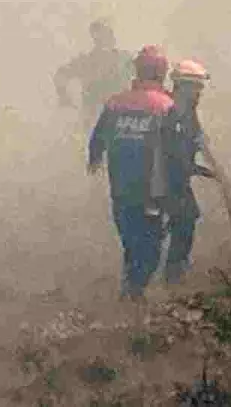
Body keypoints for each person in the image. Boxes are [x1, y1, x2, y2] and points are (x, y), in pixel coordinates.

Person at [88, 45, 175, 300]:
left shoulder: (115, 102)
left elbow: (97, 140)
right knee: (150, 244)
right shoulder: (166, 105)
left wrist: (94, 159)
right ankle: (134, 292)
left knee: (130, 241)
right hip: (152, 191)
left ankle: (131, 291)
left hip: (121, 189)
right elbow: (176, 149)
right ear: (162, 72)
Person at [160, 59, 216, 284]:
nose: (200, 93)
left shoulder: (188, 111)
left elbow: (199, 140)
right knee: (184, 219)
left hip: (177, 180)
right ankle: (173, 274)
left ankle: (174, 269)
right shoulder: (172, 112)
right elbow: (176, 156)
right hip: (168, 180)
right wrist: (204, 172)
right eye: (197, 87)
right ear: (182, 86)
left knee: (184, 219)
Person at [55, 19, 133, 134]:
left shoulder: (124, 60)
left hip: (117, 118)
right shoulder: (86, 61)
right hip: (98, 119)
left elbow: (61, 75)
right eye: (100, 35)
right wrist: (64, 97)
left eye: (105, 34)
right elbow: (61, 75)